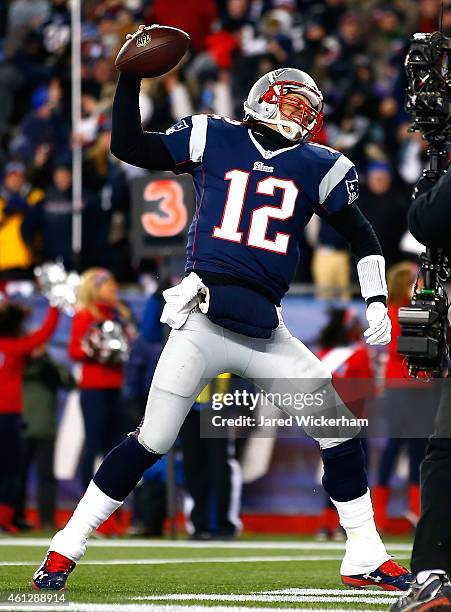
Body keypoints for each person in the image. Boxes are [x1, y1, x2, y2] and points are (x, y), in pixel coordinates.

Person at [33, 26, 411, 592]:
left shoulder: (322, 163)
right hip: (203, 320)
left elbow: (362, 234)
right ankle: (65, 546)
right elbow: (128, 146)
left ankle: (364, 552)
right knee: (152, 440)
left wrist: (377, 296)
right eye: (290, 99)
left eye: (307, 107)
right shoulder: (212, 135)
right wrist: (130, 80)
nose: (298, 112)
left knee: (338, 431)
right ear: (262, 95)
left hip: (266, 328)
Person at [389, 168, 451, 610]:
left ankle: (433, 573)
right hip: (405, 395)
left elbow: (426, 220)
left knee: (442, 454)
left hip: (404, 393)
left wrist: (431, 185)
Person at [372, 263, 430, 533]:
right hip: (400, 386)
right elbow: (399, 349)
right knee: (395, 446)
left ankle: (415, 510)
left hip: (419, 387)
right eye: (414, 281)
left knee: (418, 449)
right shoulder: (394, 312)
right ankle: (380, 515)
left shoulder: (413, 311)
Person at [0, 294, 59, 533]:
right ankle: (4, 518)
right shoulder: (15, 347)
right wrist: (56, 306)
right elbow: (45, 333)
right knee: (11, 470)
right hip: (9, 415)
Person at [315, 307, 373, 541]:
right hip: (354, 422)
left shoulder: (322, 354)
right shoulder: (359, 354)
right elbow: (367, 389)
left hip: (325, 421)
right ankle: (344, 526)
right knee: (352, 474)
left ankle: (324, 525)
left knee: (330, 471)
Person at [15, 346, 75, 531]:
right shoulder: (19, 364)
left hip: (43, 429)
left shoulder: (49, 368)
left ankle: (47, 521)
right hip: (22, 428)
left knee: (45, 477)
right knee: (18, 477)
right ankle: (17, 519)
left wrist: (46, 358)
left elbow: (69, 382)